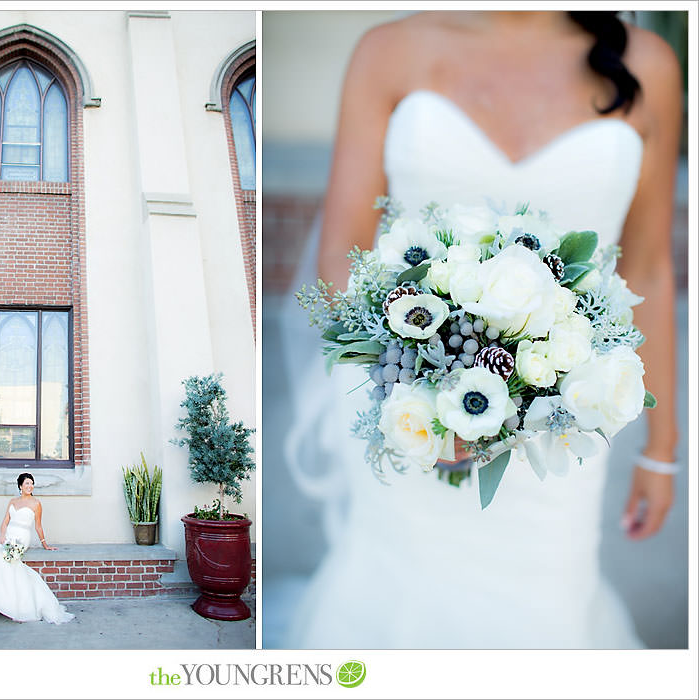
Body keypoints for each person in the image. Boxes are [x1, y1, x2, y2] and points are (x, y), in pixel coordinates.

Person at [285, 10, 681, 648]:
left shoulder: (651, 64)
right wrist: (412, 392)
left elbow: (651, 270)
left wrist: (663, 449)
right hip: (405, 409)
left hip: (563, 423)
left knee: (545, 610)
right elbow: (342, 252)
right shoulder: (388, 51)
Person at [0, 472, 74, 624]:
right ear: (20, 486)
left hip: (21, 537)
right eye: (27, 483)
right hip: (8, 534)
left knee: (5, 560)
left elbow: (38, 526)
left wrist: (45, 544)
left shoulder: (36, 504)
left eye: (31, 483)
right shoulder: (12, 502)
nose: (30, 486)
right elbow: (5, 521)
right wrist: (2, 535)